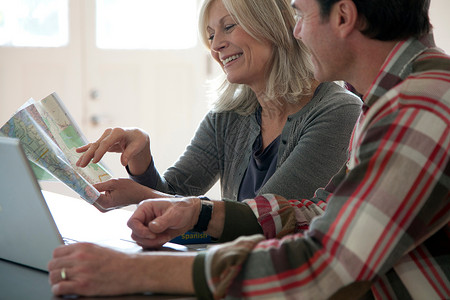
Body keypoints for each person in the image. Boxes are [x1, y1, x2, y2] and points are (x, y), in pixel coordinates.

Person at [48, 0, 450, 299]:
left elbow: (322, 264)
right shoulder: (392, 100)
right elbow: (321, 210)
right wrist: (200, 211)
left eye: (301, 13)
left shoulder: (415, 107)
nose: (297, 32)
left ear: (343, 16)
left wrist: (138, 272)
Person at [75, 0, 361, 210]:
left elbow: (262, 216)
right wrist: (141, 160)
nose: (216, 46)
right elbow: (172, 195)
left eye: (229, 27)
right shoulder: (227, 117)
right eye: (211, 35)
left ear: (272, 25)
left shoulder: (339, 112)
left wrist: (141, 195)